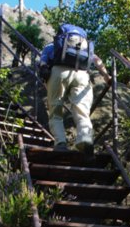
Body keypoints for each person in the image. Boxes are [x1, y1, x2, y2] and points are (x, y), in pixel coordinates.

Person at [39, 24, 111, 154]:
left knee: (55, 111)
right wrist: (106, 76)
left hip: (58, 72)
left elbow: (43, 63)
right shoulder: (83, 47)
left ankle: (60, 143)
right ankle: (85, 139)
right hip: (82, 74)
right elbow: (96, 60)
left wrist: (47, 81)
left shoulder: (51, 46)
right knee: (82, 110)